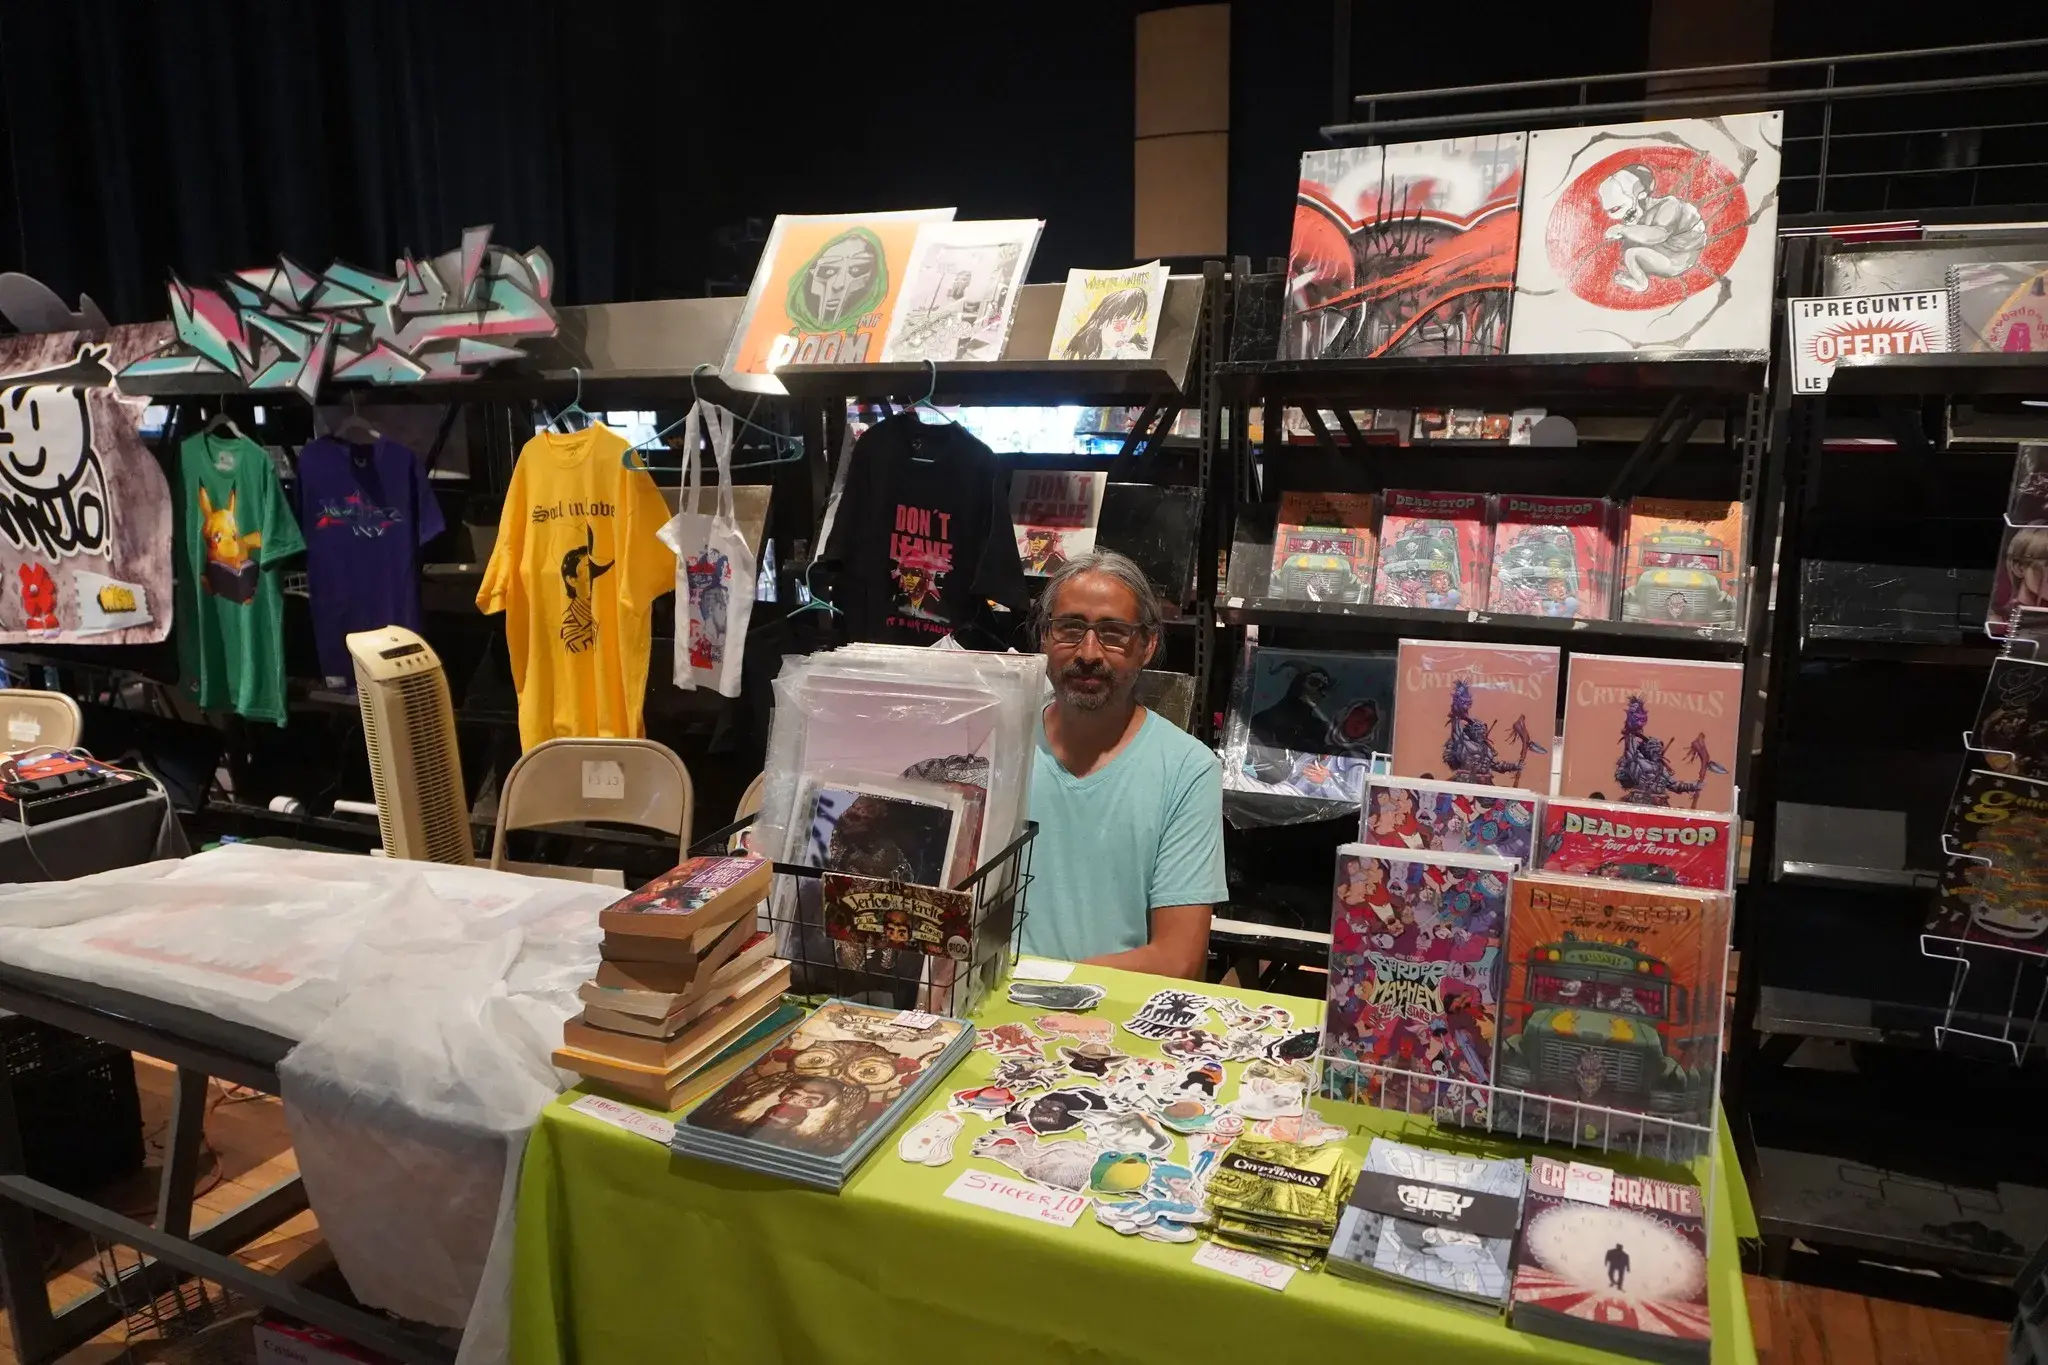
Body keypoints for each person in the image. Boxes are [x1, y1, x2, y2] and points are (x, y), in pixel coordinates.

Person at [1020, 551, 1225, 979]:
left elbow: (1179, 959)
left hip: (1113, 1010)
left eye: (1113, 633)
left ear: (1147, 646)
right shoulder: (1001, 744)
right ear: (1044, 637)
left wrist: (1044, 984)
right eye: (1070, 628)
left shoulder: (1187, 770)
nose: (1088, 652)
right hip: (991, 1003)